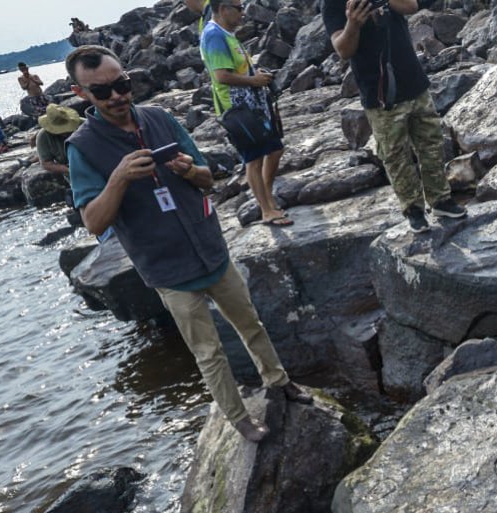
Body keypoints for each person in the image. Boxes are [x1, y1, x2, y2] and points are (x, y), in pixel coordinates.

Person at [64, 45, 311, 442]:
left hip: (209, 246)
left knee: (251, 324)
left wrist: (188, 169)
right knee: (209, 352)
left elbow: (207, 178)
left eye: (122, 84)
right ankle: (240, 421)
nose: (117, 96)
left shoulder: (159, 118)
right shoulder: (82, 147)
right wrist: (119, 178)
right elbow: (93, 221)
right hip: (167, 268)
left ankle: (279, 382)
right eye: (102, 92)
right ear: (81, 95)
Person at [323, 0, 467, 231]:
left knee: (432, 144)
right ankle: (413, 209)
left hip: (413, 81)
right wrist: (353, 24)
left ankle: (441, 200)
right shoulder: (332, 4)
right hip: (379, 94)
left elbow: (411, 6)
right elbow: (343, 50)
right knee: (395, 156)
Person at [201, 0, 291, 226]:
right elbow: (221, 75)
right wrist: (254, 80)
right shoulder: (214, 35)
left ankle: (267, 198)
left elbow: (235, 68)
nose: (243, 13)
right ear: (223, 9)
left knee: (274, 149)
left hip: (252, 106)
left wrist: (255, 74)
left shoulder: (225, 33)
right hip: (237, 109)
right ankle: (266, 210)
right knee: (254, 158)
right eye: (239, 8)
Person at [35, 104, 83, 180]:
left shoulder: (85, 124)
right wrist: (68, 170)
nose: (65, 132)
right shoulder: (43, 136)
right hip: (73, 175)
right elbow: (46, 163)